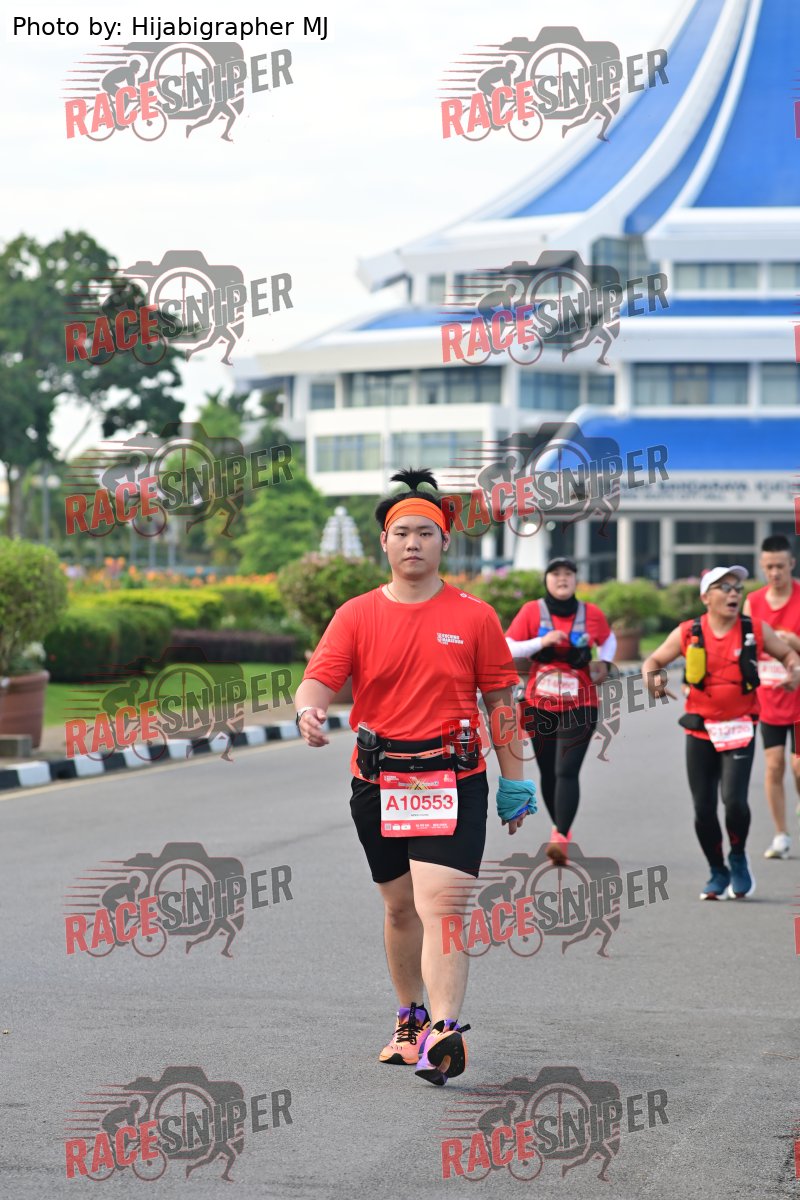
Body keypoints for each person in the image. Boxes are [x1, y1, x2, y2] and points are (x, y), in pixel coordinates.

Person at [294, 468, 536, 1086]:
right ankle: (411, 1016)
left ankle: (445, 1032)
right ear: (384, 542)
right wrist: (308, 710)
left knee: (442, 906)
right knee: (401, 908)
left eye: (425, 533)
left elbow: (502, 704)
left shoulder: (475, 616)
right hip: (380, 782)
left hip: (453, 778)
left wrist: (515, 781)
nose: (413, 543)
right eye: (402, 533)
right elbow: (320, 677)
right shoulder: (356, 614)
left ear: (444, 542)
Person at [643, 566, 800, 901]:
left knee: (735, 802)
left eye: (737, 588)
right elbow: (653, 660)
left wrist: (794, 670)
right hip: (700, 730)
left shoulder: (754, 629)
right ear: (705, 597)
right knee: (703, 809)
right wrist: (653, 679)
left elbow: (788, 655)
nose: (733, 593)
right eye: (724, 587)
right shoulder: (689, 631)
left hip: (741, 726)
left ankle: (738, 857)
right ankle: (717, 870)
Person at [504, 557, 616, 865]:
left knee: (567, 770)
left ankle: (561, 837)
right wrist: (543, 640)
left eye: (568, 573)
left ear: (576, 580)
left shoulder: (591, 614)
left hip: (581, 704)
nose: (562, 578)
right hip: (538, 703)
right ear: (547, 580)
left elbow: (609, 639)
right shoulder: (532, 611)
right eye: (556, 574)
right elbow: (509, 646)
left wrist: (604, 663)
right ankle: (559, 830)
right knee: (549, 772)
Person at [743, 534, 800, 859]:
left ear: (791, 564)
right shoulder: (753, 602)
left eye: (780, 566)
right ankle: (781, 835)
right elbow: (743, 648)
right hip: (769, 698)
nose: (775, 572)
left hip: (799, 696)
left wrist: (793, 643)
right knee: (774, 765)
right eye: (769, 567)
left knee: (798, 767)